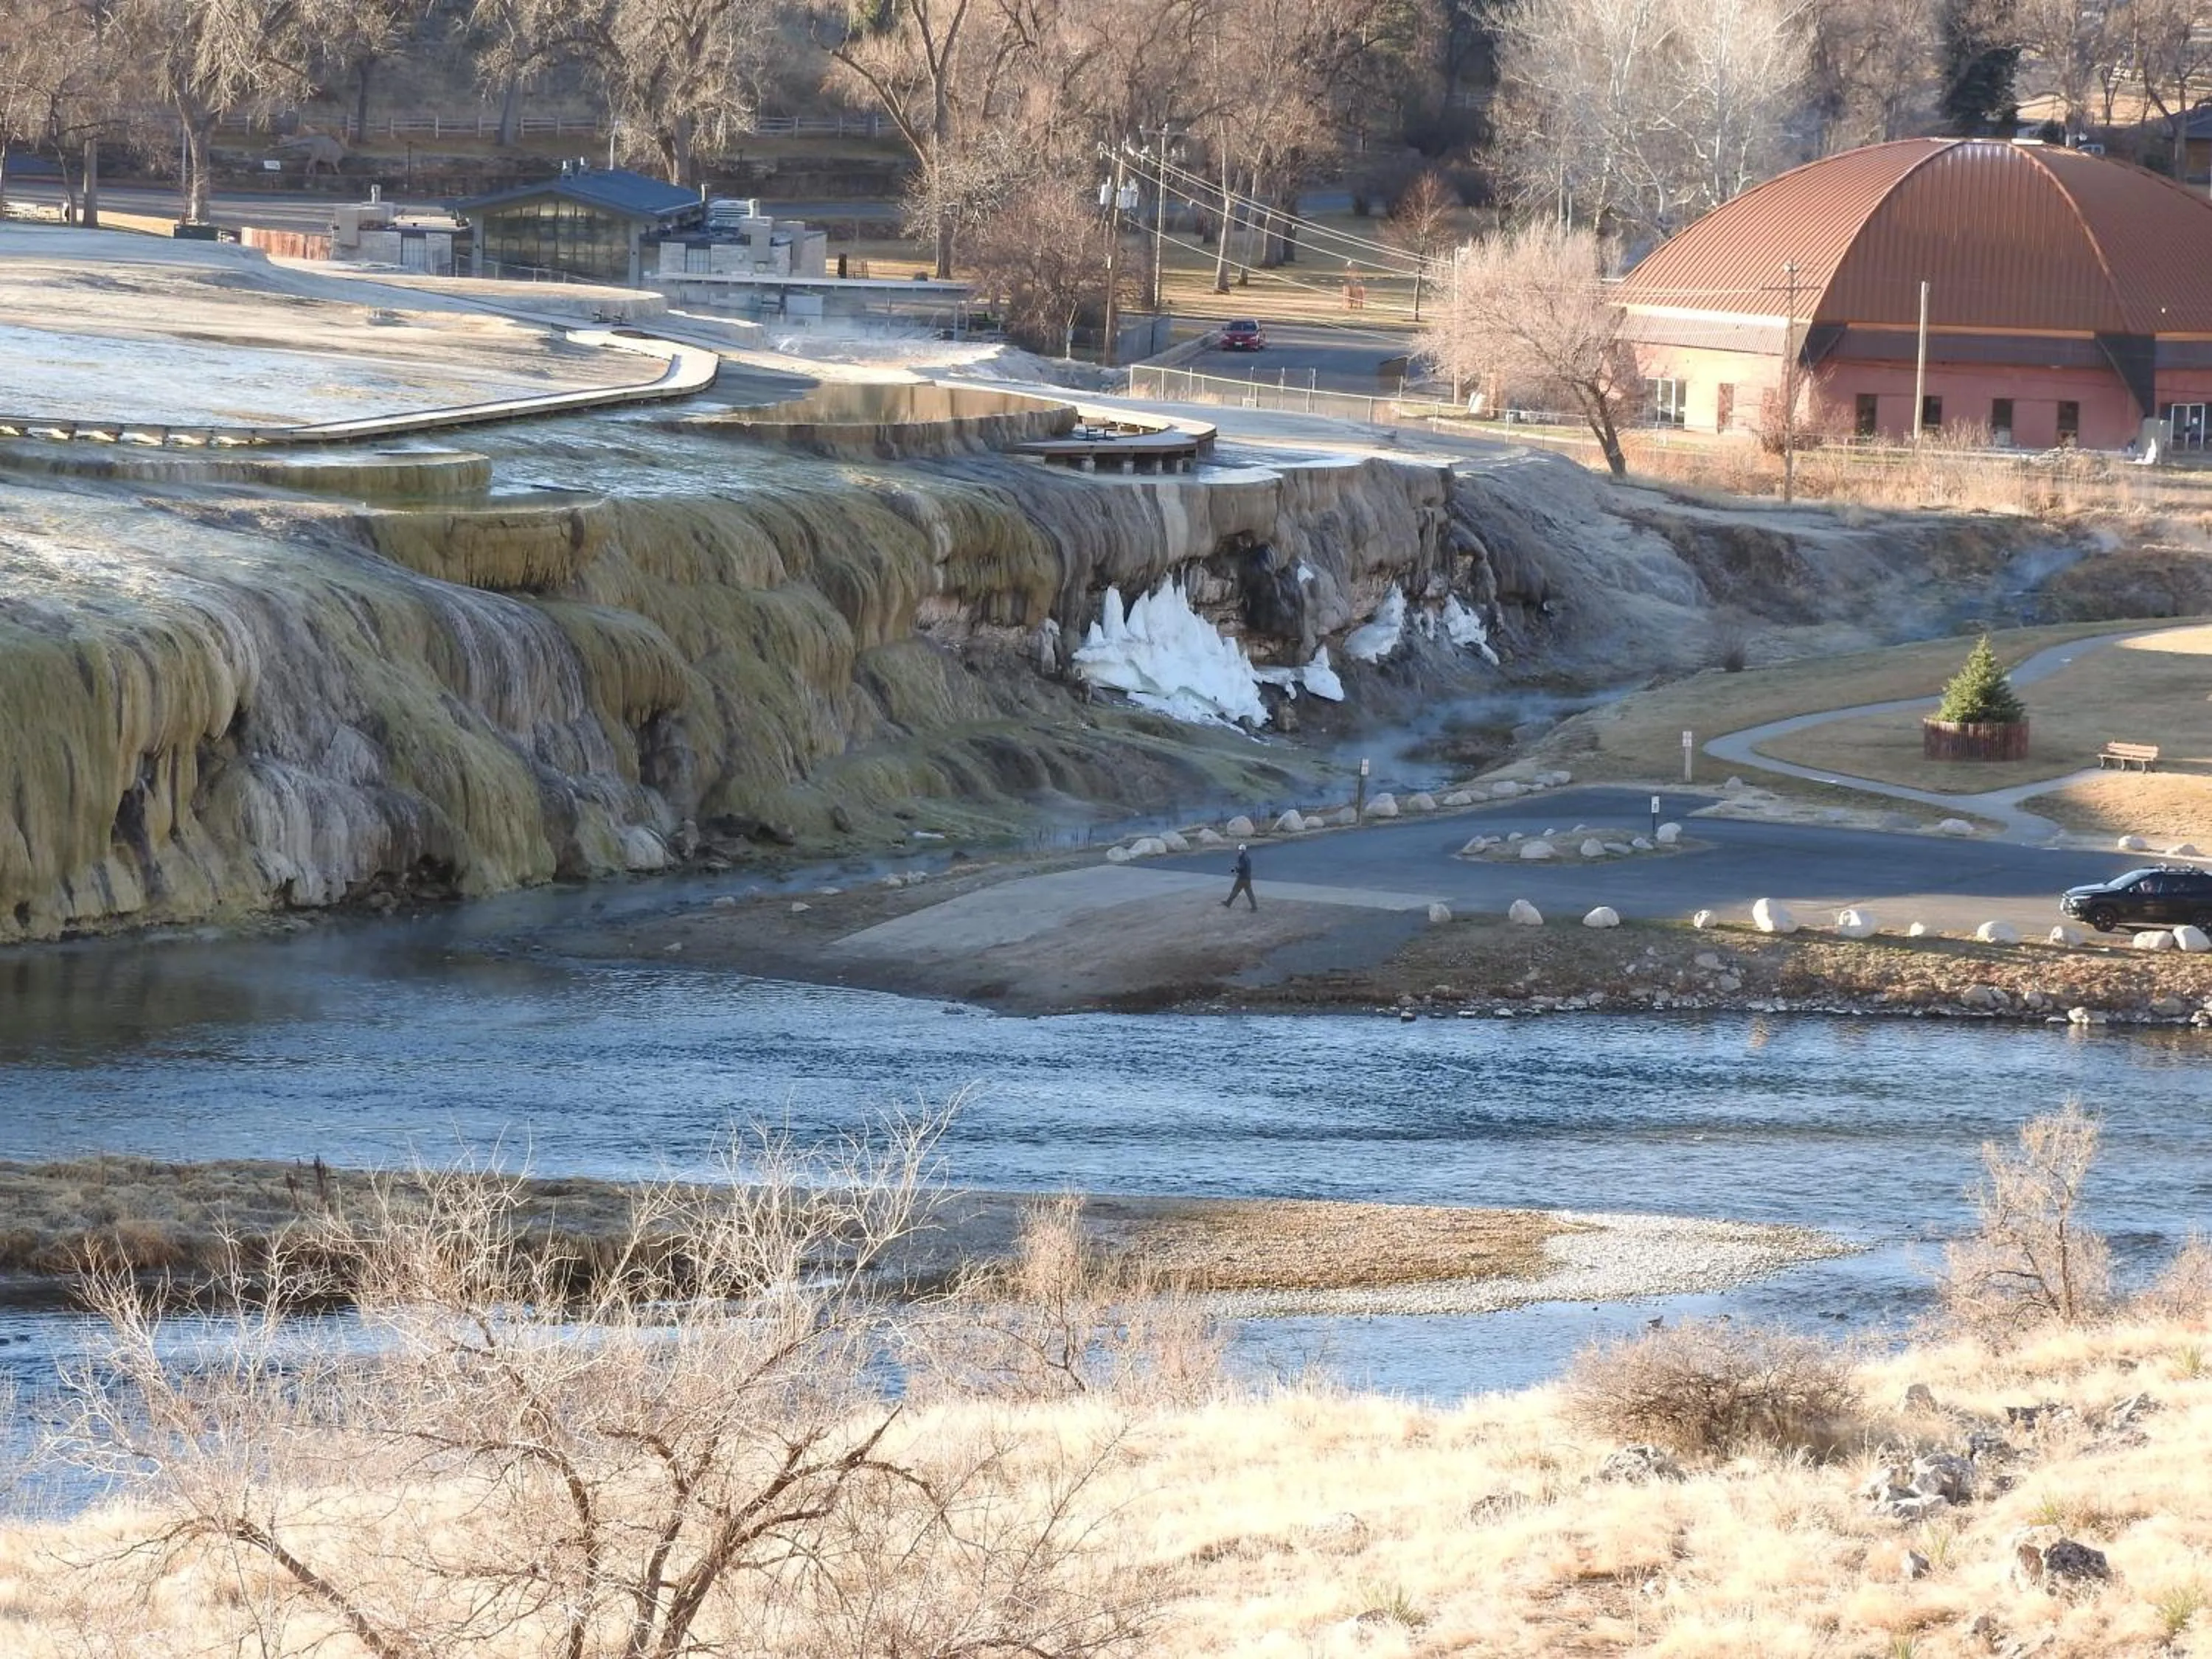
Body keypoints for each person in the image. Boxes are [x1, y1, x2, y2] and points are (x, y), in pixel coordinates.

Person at [1222, 843, 1256, 910]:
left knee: (1235, 891)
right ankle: (1254, 907)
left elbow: (1241, 867)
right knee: (1249, 893)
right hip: (1247, 877)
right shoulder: (1247, 857)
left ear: (1240, 850)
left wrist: (1235, 870)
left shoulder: (1242, 858)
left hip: (1242, 878)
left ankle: (1228, 903)